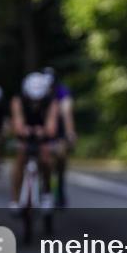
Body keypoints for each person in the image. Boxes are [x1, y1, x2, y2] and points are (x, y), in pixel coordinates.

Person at [9, 72, 59, 211]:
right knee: (20, 159)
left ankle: (47, 193)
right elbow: (17, 121)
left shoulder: (51, 101)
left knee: (47, 160)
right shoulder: (18, 99)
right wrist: (22, 130)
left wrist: (44, 131)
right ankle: (15, 198)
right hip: (25, 136)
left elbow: (52, 125)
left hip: (43, 136)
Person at [43, 67, 76, 208]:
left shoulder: (62, 92)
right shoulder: (37, 91)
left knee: (61, 157)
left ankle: (60, 188)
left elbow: (67, 112)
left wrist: (70, 132)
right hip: (41, 130)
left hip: (59, 130)